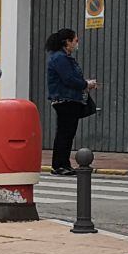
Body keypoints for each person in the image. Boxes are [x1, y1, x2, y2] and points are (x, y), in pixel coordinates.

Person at [45, 28, 98, 176]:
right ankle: (59, 165)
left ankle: (63, 164)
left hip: (69, 99)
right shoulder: (60, 58)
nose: (77, 43)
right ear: (67, 42)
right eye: (75, 40)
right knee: (65, 133)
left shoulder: (63, 58)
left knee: (67, 133)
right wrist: (86, 84)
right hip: (65, 100)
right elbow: (68, 79)